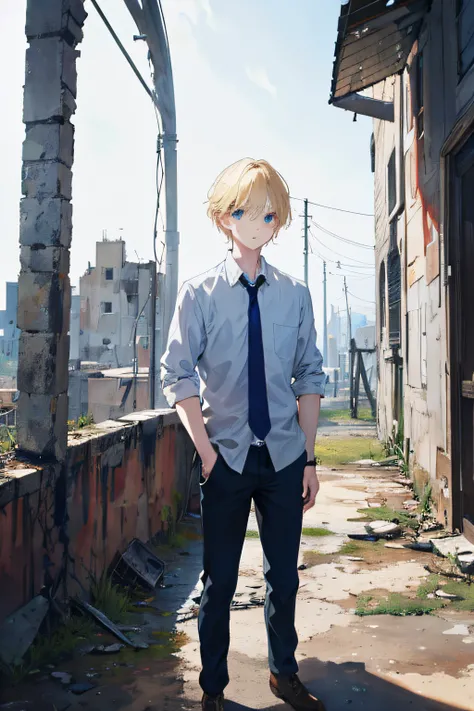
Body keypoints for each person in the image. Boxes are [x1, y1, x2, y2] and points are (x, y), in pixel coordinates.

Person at [161, 158, 326, 711]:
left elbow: (309, 375)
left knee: (284, 578)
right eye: (243, 211)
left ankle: (284, 673)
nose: (255, 222)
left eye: (267, 213)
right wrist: (205, 453)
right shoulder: (200, 293)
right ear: (223, 218)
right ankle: (213, 689)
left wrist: (307, 457)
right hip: (225, 458)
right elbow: (177, 373)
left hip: (282, 457)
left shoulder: (295, 295)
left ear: (277, 221)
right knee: (220, 583)